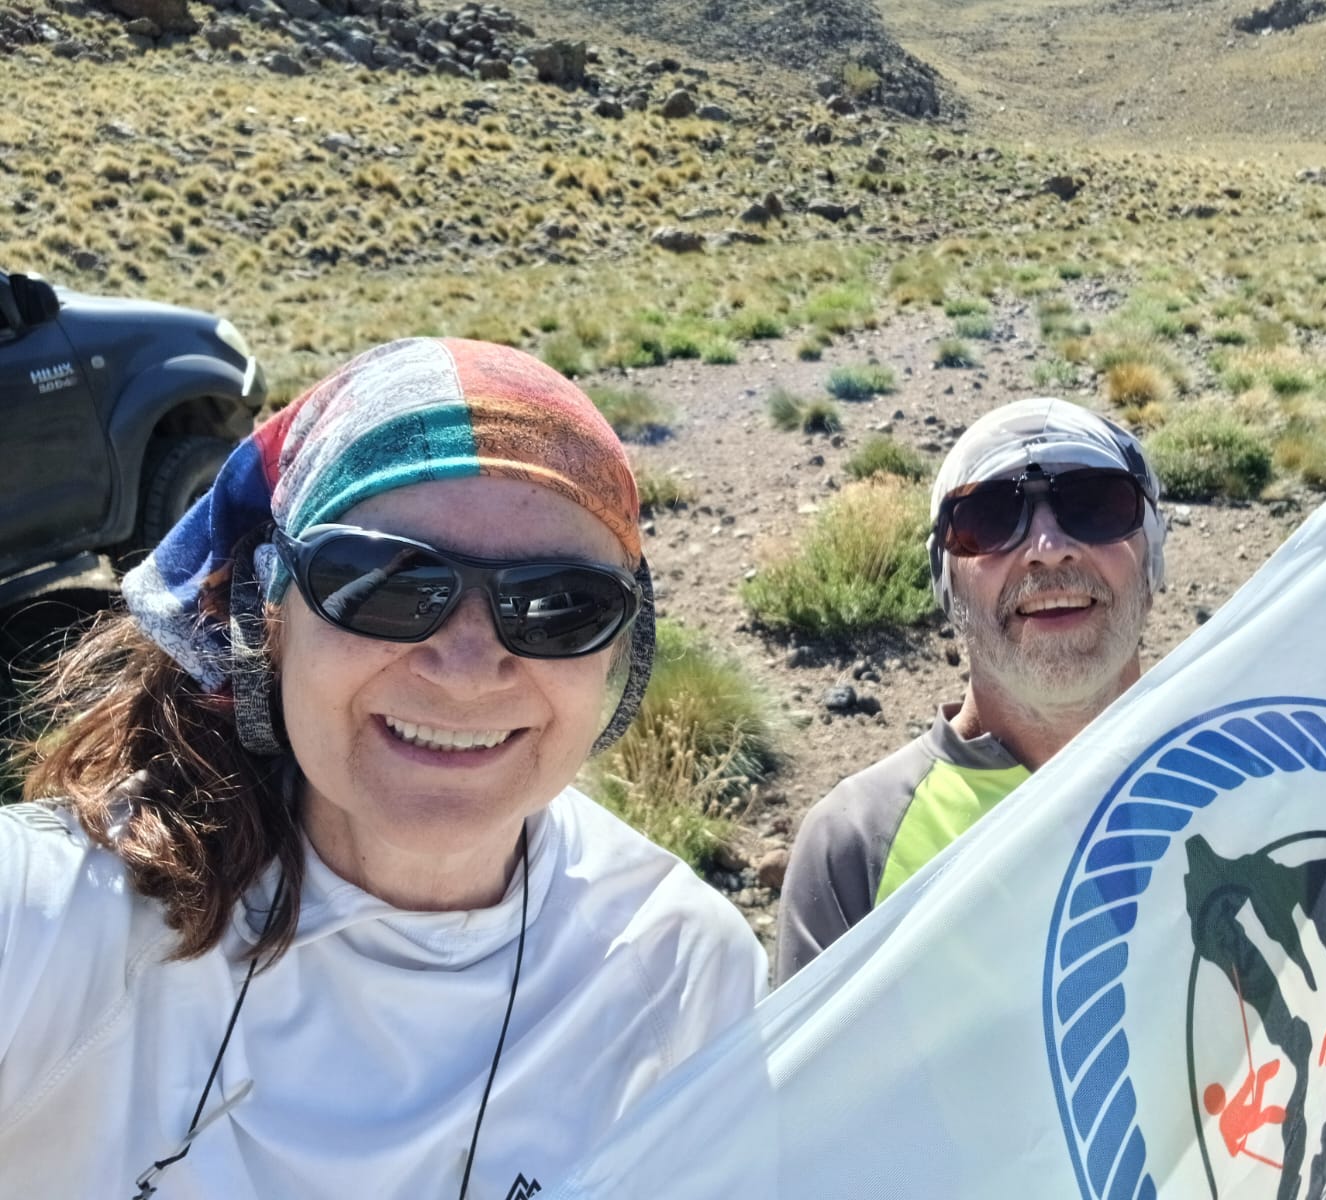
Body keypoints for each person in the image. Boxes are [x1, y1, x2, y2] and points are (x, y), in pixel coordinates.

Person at [0, 338, 766, 1198]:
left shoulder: (680, 970)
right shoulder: (53, 923)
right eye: (385, 585)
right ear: (270, 617)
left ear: (618, 649)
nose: (467, 671)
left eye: (558, 606)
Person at [776, 396, 1326, 983]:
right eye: (989, 519)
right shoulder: (860, 846)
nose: (1048, 547)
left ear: (1155, 557)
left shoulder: (1289, 777)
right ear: (944, 581)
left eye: (1096, 505)